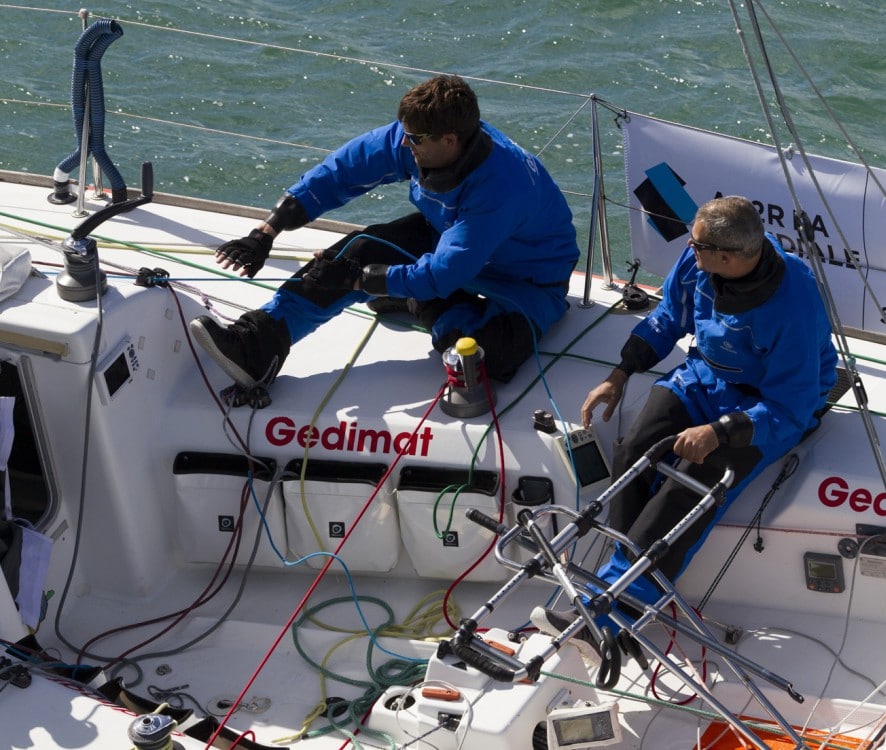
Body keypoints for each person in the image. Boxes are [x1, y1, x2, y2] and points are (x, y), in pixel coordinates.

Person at [533, 195, 838, 649]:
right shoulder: (701, 256)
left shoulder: (794, 302)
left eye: (696, 247)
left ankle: (615, 611)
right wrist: (621, 374)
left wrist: (718, 432)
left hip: (766, 408)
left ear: (727, 257)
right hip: (704, 377)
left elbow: (790, 407)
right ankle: (622, 579)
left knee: (692, 485)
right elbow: (667, 318)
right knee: (634, 447)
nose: (688, 251)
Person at [190, 74, 579, 396]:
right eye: (405, 133)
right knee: (358, 252)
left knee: (484, 357)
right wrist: (267, 231)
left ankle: (419, 305)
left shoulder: (499, 189)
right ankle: (258, 344)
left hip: (526, 280)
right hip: (446, 238)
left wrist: (362, 281)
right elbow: (342, 173)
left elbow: (445, 274)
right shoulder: (415, 138)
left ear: (450, 140)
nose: (404, 143)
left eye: (415, 138)